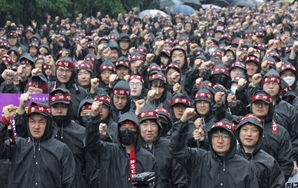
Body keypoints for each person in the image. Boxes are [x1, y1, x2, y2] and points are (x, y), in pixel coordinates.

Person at [170, 108, 259, 187]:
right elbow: (177, 150)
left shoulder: (244, 166)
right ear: (210, 139)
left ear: (232, 140)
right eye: (216, 136)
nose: (220, 141)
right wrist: (182, 122)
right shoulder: (198, 158)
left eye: (225, 136)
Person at [85, 101, 160, 188]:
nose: (127, 131)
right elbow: (91, 144)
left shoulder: (148, 158)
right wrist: (94, 117)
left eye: (131, 128)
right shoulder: (108, 151)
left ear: (137, 132)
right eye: (123, 128)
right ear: (118, 131)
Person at [0, 102, 76, 187]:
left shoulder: (61, 150)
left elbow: (70, 182)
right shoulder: (18, 145)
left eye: (41, 122)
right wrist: (4, 120)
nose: (36, 126)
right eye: (32, 121)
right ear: (27, 123)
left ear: (48, 123)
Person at [136, 102, 188, 187]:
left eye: (153, 124)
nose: (149, 129)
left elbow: (180, 180)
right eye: (144, 124)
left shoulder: (169, 147)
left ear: (159, 127)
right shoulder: (133, 148)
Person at [235, 114, 285, 187]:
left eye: (254, 130)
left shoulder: (269, 162)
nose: (249, 134)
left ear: (260, 135)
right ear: (238, 133)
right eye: (245, 129)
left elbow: (278, 185)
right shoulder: (229, 158)